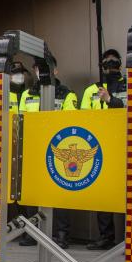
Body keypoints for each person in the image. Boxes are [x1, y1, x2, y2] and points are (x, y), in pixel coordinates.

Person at [18, 60, 78, 248]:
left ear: (56, 70)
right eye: (37, 68)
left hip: (57, 149)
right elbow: (20, 121)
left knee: (59, 193)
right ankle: (32, 232)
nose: (40, 72)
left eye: (45, 68)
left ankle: (61, 234)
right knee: (30, 193)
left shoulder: (66, 94)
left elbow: (71, 121)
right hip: (32, 148)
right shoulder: (27, 94)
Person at [81, 49, 127, 250]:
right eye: (106, 63)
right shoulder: (91, 90)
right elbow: (83, 118)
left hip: (126, 145)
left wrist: (111, 100)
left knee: (129, 191)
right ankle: (106, 237)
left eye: (113, 62)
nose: (110, 65)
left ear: (121, 64)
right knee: (103, 193)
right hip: (100, 147)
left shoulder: (130, 84)